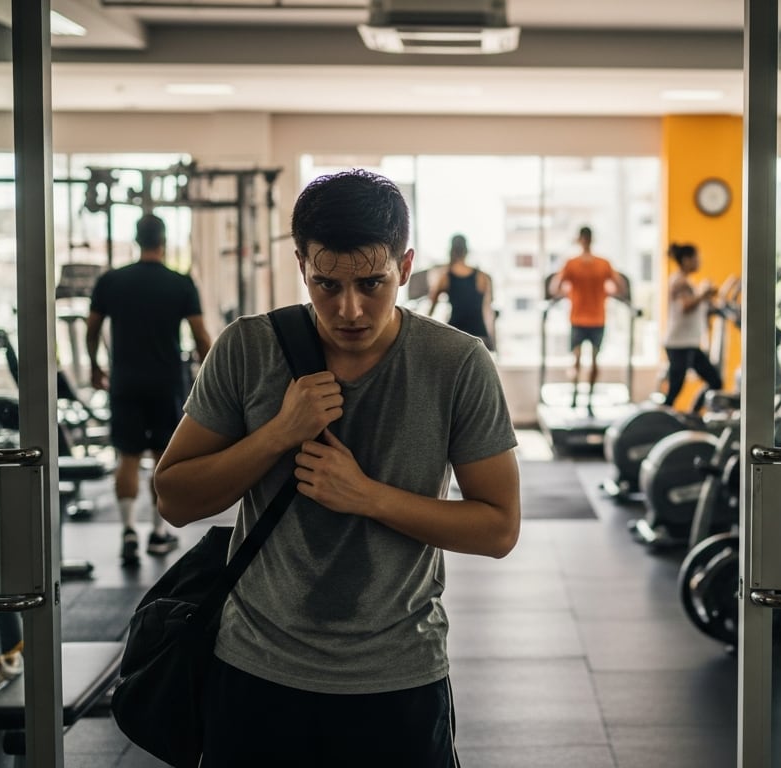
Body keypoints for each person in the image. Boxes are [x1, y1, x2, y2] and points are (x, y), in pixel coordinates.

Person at [151, 169, 520, 766]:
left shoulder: (457, 363)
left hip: (397, 674)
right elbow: (174, 498)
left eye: (372, 283)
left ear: (405, 267)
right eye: (326, 284)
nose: (349, 309)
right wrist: (278, 434)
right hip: (254, 666)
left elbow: (499, 528)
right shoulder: (248, 348)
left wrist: (366, 495)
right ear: (301, 265)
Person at [86, 214, 212, 566]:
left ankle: (128, 531)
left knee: (126, 456)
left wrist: (94, 365)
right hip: (167, 381)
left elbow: (92, 328)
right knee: (163, 456)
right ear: (164, 241)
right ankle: (158, 533)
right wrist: (211, 376)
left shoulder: (112, 281)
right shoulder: (180, 283)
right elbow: (201, 335)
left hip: (125, 380)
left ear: (137, 240)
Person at [553, 225, 628, 414]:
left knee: (579, 360)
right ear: (591, 239)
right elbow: (620, 287)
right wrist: (606, 292)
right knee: (589, 360)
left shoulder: (574, 263)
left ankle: (578, 398)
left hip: (585, 318)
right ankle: (584, 401)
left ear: (580, 240)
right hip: (591, 319)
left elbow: (555, 288)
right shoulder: (601, 263)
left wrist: (569, 293)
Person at [662, 242, 725, 413]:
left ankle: (693, 415)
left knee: (715, 381)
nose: (699, 262)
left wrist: (708, 302)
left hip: (689, 342)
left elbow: (696, 307)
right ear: (687, 260)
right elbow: (686, 306)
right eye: (697, 258)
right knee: (675, 388)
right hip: (679, 343)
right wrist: (703, 295)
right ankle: (659, 420)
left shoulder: (687, 282)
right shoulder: (679, 281)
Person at [427, 233, 495, 349]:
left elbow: (431, 307)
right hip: (479, 334)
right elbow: (489, 311)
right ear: (467, 251)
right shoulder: (483, 277)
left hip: (456, 333)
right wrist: (493, 340)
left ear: (451, 250)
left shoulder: (445, 276)